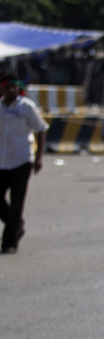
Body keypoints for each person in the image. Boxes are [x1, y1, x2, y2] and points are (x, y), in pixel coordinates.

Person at [0, 71, 47, 254]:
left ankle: (9, 242)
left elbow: (41, 129)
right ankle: (16, 224)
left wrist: (39, 157)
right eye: (7, 87)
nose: (11, 90)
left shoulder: (27, 106)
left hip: (21, 160)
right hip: (2, 161)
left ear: (18, 88)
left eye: (14, 86)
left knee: (17, 201)